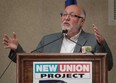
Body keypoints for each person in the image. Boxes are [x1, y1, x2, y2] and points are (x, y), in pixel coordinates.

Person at [2, 2, 113, 71]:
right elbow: (31, 63)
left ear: (82, 21)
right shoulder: (47, 40)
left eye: (72, 15)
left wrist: (102, 44)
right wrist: (17, 49)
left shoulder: (94, 40)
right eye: (64, 14)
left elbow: (108, 66)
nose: (66, 18)